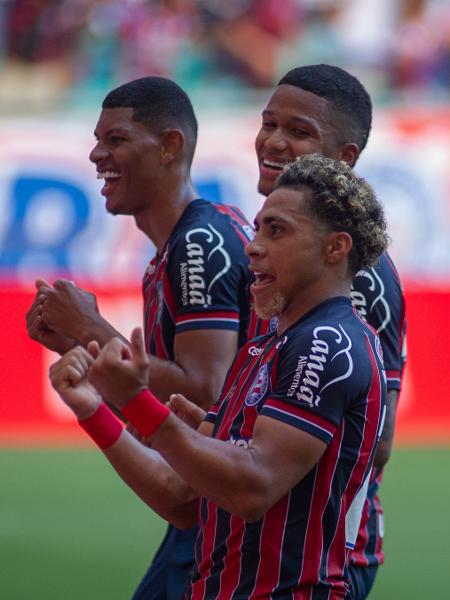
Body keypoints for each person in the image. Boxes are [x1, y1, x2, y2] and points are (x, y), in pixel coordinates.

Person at [49, 153, 388, 599]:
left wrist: (137, 402)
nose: (253, 245)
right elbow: (181, 498)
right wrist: (94, 409)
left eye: (277, 230)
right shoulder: (264, 347)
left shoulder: (325, 341)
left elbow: (252, 486)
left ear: (335, 248)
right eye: (260, 227)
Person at [25, 76, 255, 600]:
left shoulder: (197, 242)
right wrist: (79, 349)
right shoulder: (187, 240)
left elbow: (205, 394)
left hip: (224, 522)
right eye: (97, 139)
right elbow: (166, 409)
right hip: (211, 508)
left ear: (170, 146)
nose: (95, 153)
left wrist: (89, 327)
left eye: (116, 140)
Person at [250, 64, 407, 599]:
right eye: (269, 122)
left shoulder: (357, 275)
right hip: (257, 541)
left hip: (322, 559)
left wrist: (252, 461)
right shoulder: (282, 255)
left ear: (345, 158)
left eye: (298, 132)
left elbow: (377, 441)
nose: (273, 140)